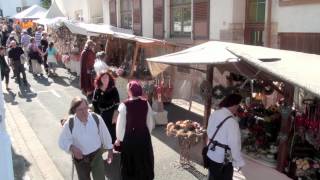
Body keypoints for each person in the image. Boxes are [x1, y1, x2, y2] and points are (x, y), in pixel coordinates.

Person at [59, 97, 113, 180]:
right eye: (80, 110)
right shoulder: (70, 123)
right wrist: (72, 148)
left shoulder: (96, 118)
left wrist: (110, 150)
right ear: (74, 111)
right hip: (81, 160)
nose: (84, 112)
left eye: (85, 108)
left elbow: (105, 134)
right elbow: (62, 141)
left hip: (97, 156)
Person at [115, 80, 155, 180]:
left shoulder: (124, 105)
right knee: (143, 161)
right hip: (143, 137)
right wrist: (146, 132)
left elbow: (120, 125)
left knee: (130, 163)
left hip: (130, 139)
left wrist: (119, 139)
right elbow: (150, 122)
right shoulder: (146, 103)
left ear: (129, 91)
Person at [206, 94, 245, 180]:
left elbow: (209, 132)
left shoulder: (215, 113)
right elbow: (235, 145)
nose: (238, 108)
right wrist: (239, 162)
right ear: (235, 105)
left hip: (211, 153)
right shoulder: (232, 122)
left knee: (211, 177)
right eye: (238, 105)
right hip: (223, 159)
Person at [92, 71, 120, 143]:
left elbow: (117, 103)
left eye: (106, 77)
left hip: (111, 113)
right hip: (101, 113)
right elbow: (94, 102)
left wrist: (115, 114)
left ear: (109, 79)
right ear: (100, 79)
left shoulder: (113, 89)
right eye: (103, 77)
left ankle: (112, 147)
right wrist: (97, 113)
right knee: (101, 130)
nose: (105, 79)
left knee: (111, 131)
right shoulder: (97, 90)